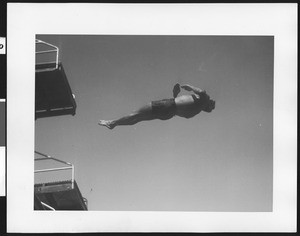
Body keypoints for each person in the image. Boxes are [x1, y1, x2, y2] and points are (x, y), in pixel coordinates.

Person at [98, 83, 215, 130]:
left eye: (211, 102)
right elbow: (178, 106)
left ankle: (112, 122)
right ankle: (114, 124)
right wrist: (176, 93)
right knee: (138, 119)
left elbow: (202, 91)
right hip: (169, 114)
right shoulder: (194, 112)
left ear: (207, 105)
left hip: (168, 105)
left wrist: (188, 86)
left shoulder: (204, 100)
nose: (211, 99)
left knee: (136, 114)